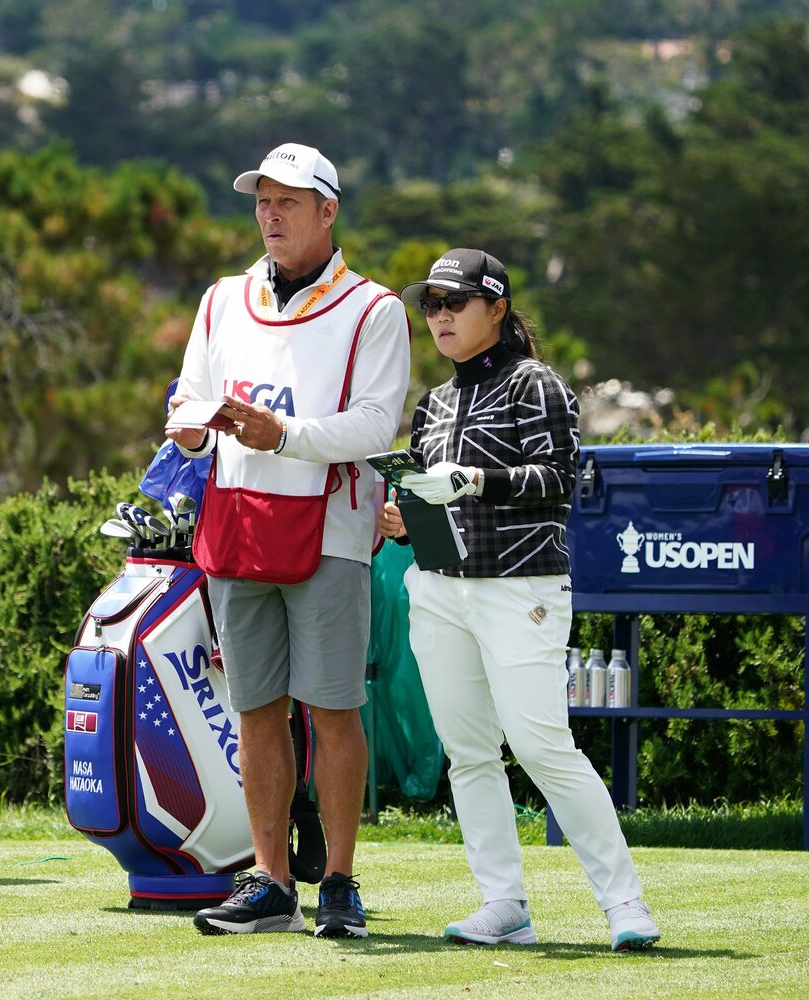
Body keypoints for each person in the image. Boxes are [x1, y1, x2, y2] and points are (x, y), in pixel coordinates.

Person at [380, 248, 661, 952]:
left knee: (541, 744)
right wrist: (406, 517)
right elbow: (434, 501)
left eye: (454, 302)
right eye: (431, 306)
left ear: (496, 309)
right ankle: (504, 904)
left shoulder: (535, 384)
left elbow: (558, 479)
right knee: (468, 752)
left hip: (522, 590)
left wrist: (472, 480)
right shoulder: (433, 405)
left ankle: (624, 901)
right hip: (442, 590)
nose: (439, 317)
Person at [172, 144, 411, 936]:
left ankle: (338, 881)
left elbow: (378, 424)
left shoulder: (372, 309)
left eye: (288, 202)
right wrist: (193, 434)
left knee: (334, 708)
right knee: (255, 708)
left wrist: (283, 436)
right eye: (262, 201)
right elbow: (191, 394)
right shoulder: (222, 298)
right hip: (237, 522)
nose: (270, 215)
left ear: (327, 211)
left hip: (331, 530)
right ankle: (270, 880)